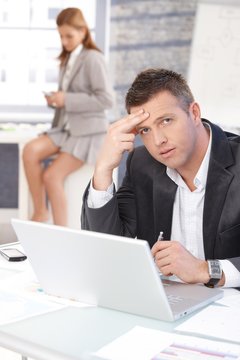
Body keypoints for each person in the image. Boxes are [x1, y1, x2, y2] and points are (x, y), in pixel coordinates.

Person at [81, 68, 240, 288]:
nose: (158, 140)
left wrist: (207, 270)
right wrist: (103, 169)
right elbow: (107, 249)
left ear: (194, 113)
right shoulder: (142, 164)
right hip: (167, 303)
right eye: (145, 130)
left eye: (166, 121)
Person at [23, 7, 114, 226]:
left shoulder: (93, 58)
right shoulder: (67, 60)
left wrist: (67, 100)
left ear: (83, 32)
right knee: (29, 151)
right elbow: (69, 99)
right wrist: (57, 101)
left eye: (69, 36)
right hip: (66, 129)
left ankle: (61, 232)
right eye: (61, 36)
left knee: (51, 176)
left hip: (87, 133)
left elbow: (106, 100)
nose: (64, 41)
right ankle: (41, 211)